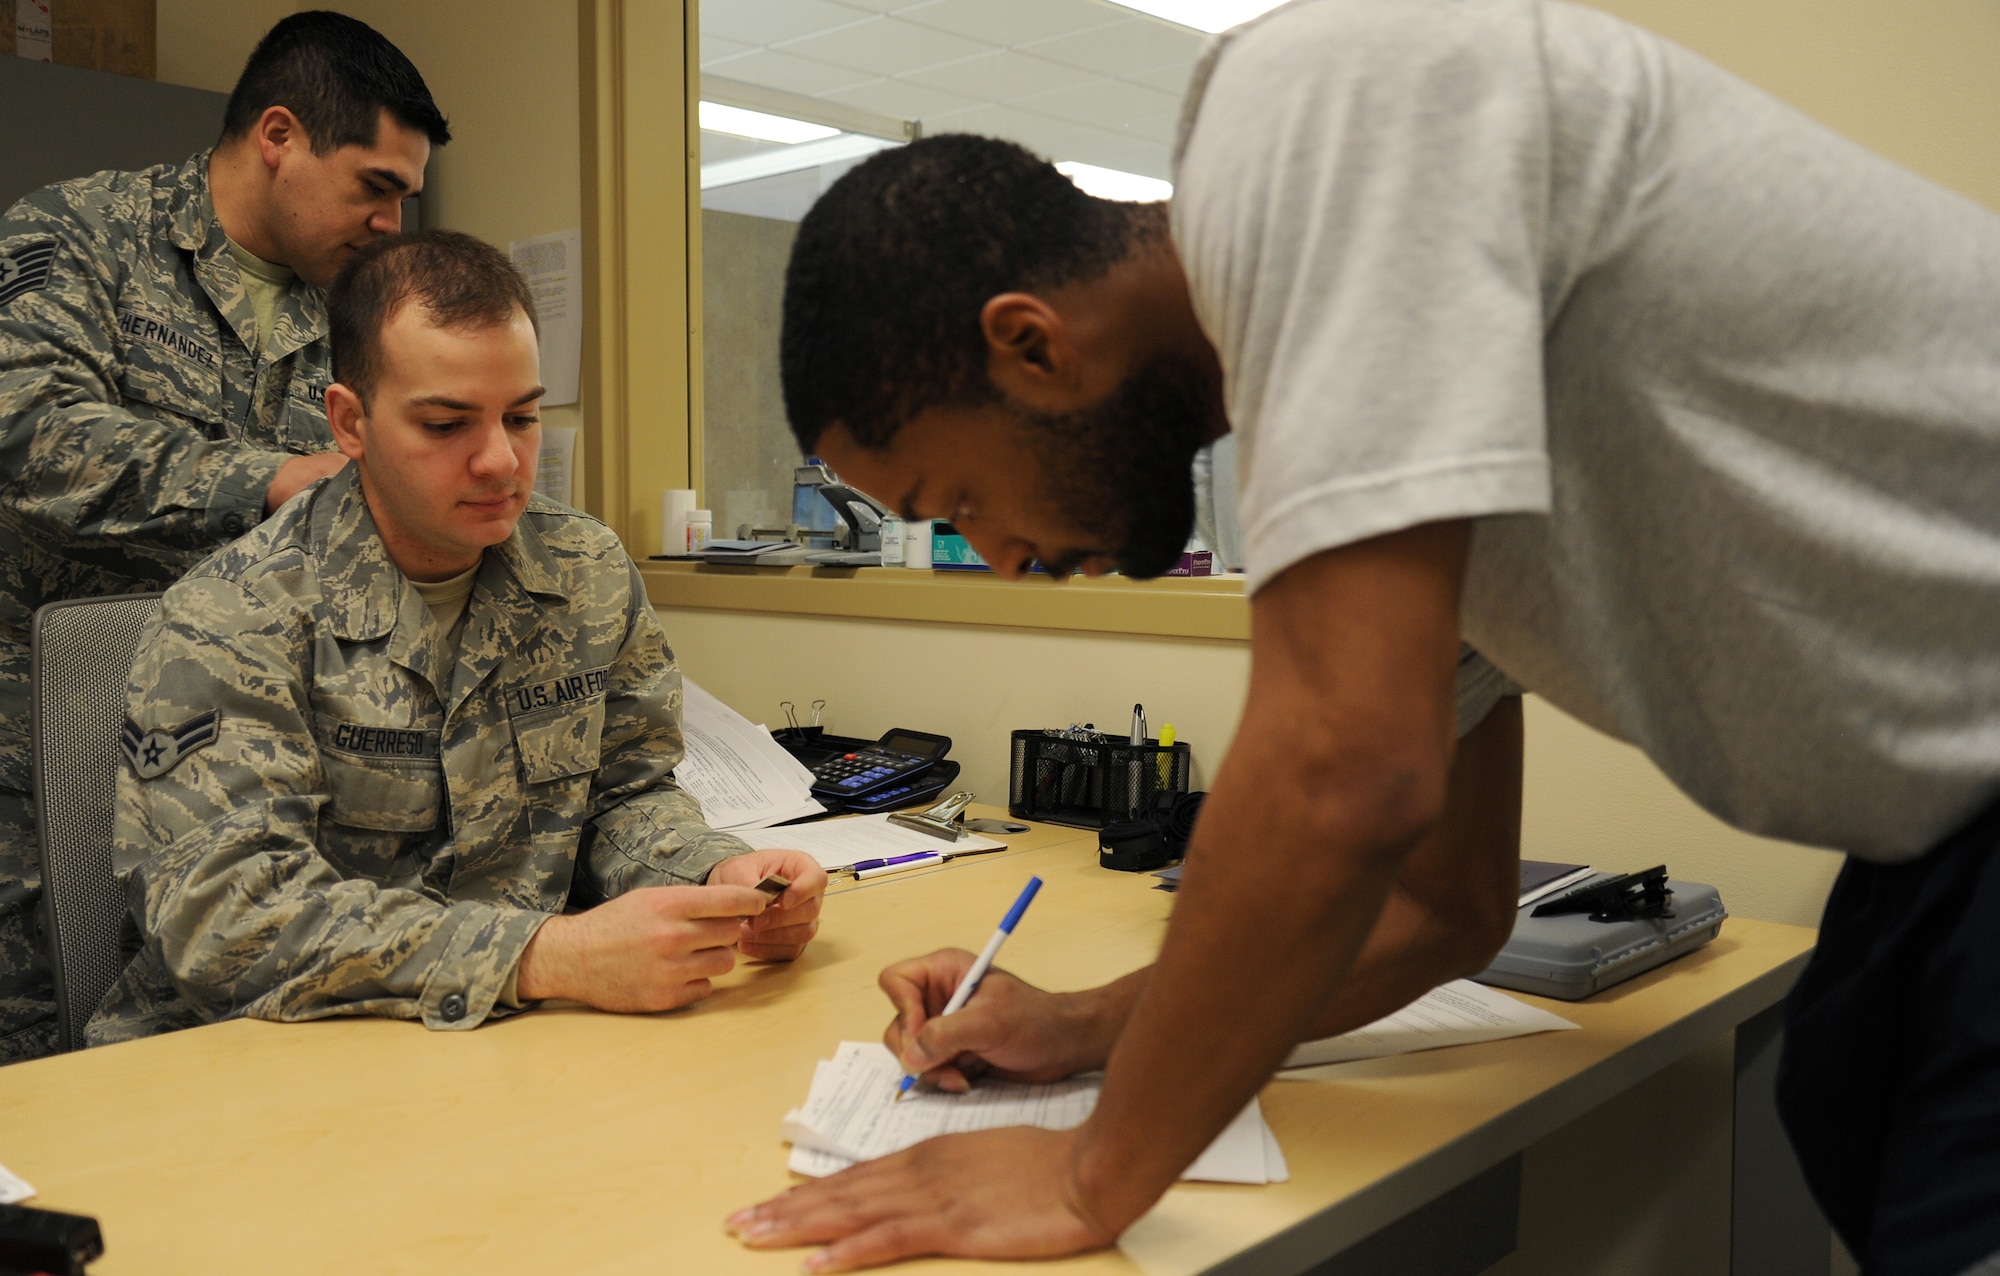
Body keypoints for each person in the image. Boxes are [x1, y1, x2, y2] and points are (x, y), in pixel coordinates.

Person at [724, 1, 2000, 1272]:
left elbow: (1344, 769)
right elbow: (1439, 909)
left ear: (1029, 345)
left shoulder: (1315, 106)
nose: (996, 559)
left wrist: (1087, 1169)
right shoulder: (1407, 447)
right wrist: (1091, 1024)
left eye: (957, 504)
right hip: (1933, 846)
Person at [88, 229, 826, 1044]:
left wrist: (714, 871)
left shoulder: (583, 569)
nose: (500, 461)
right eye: (446, 425)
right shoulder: (234, 615)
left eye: (522, 416)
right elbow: (228, 916)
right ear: (350, 422)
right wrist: (547, 956)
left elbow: (624, 792)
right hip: (259, 1053)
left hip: (500, 1044)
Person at [0, 11, 448, 1063]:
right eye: (374, 185)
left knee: (229, 1052)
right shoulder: (77, 234)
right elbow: (27, 434)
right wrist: (274, 478)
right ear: (280, 136)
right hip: (45, 755)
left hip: (246, 769)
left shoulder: (345, 316)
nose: (391, 222)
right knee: (40, 1067)